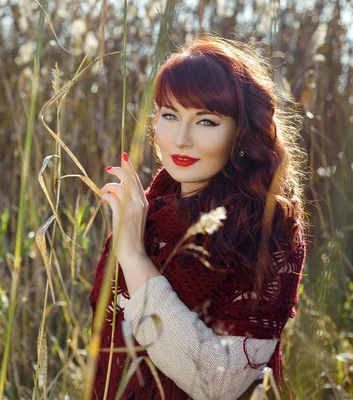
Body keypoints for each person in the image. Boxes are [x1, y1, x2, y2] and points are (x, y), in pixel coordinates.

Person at [88, 34, 308, 400]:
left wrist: (133, 257)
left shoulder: (267, 228)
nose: (181, 139)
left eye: (206, 122)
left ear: (242, 131)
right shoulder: (152, 213)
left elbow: (220, 383)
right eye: (170, 116)